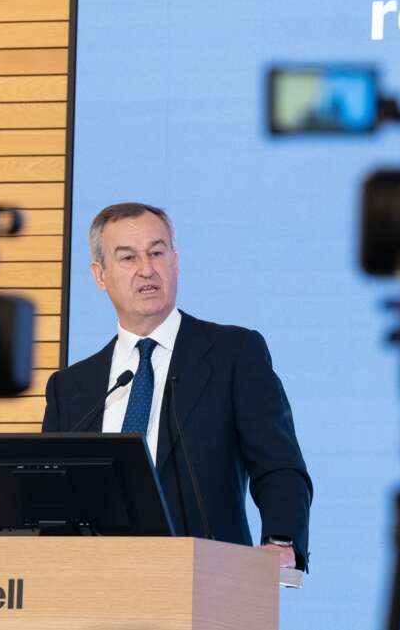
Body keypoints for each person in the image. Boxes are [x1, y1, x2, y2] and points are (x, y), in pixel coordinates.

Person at [42, 202, 312, 569]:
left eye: (157, 252)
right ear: (99, 275)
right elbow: (52, 500)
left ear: (175, 261)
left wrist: (281, 540)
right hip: (96, 590)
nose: (146, 269)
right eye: (127, 258)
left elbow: (278, 466)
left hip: (207, 584)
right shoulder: (70, 388)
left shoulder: (233, 355)